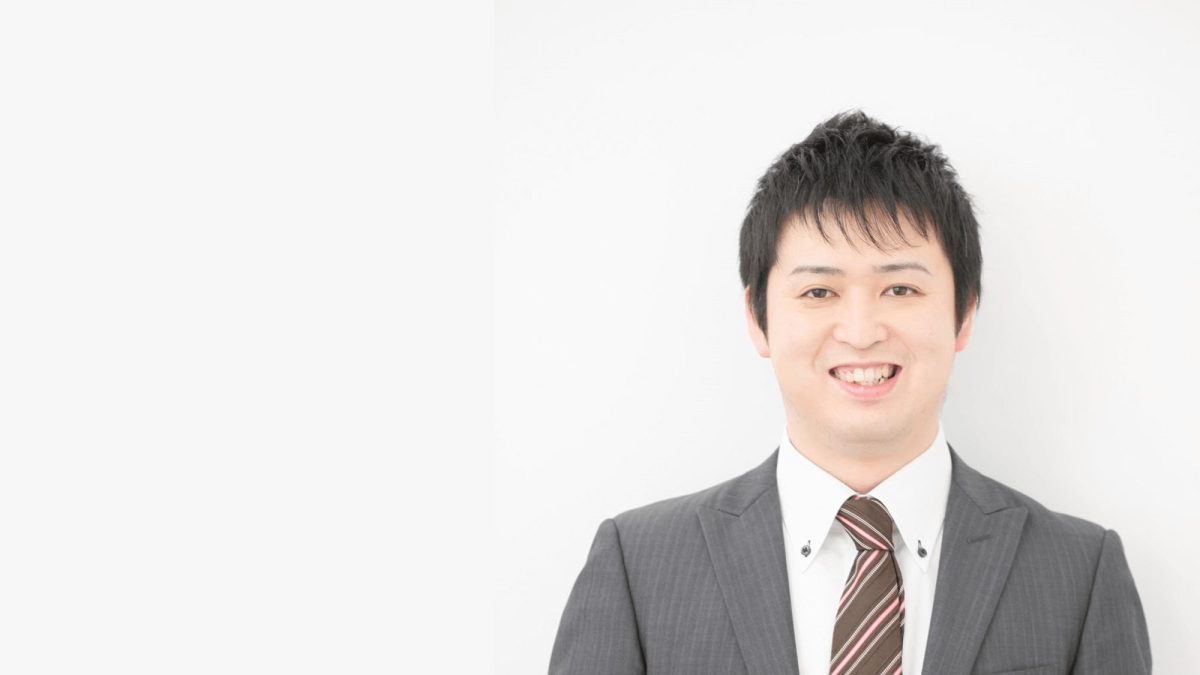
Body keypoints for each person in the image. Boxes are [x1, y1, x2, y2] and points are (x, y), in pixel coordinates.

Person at [548, 111, 1152, 674]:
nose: (861, 332)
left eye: (901, 290)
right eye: (819, 292)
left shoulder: (1079, 573)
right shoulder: (638, 566)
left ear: (964, 313)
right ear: (757, 319)